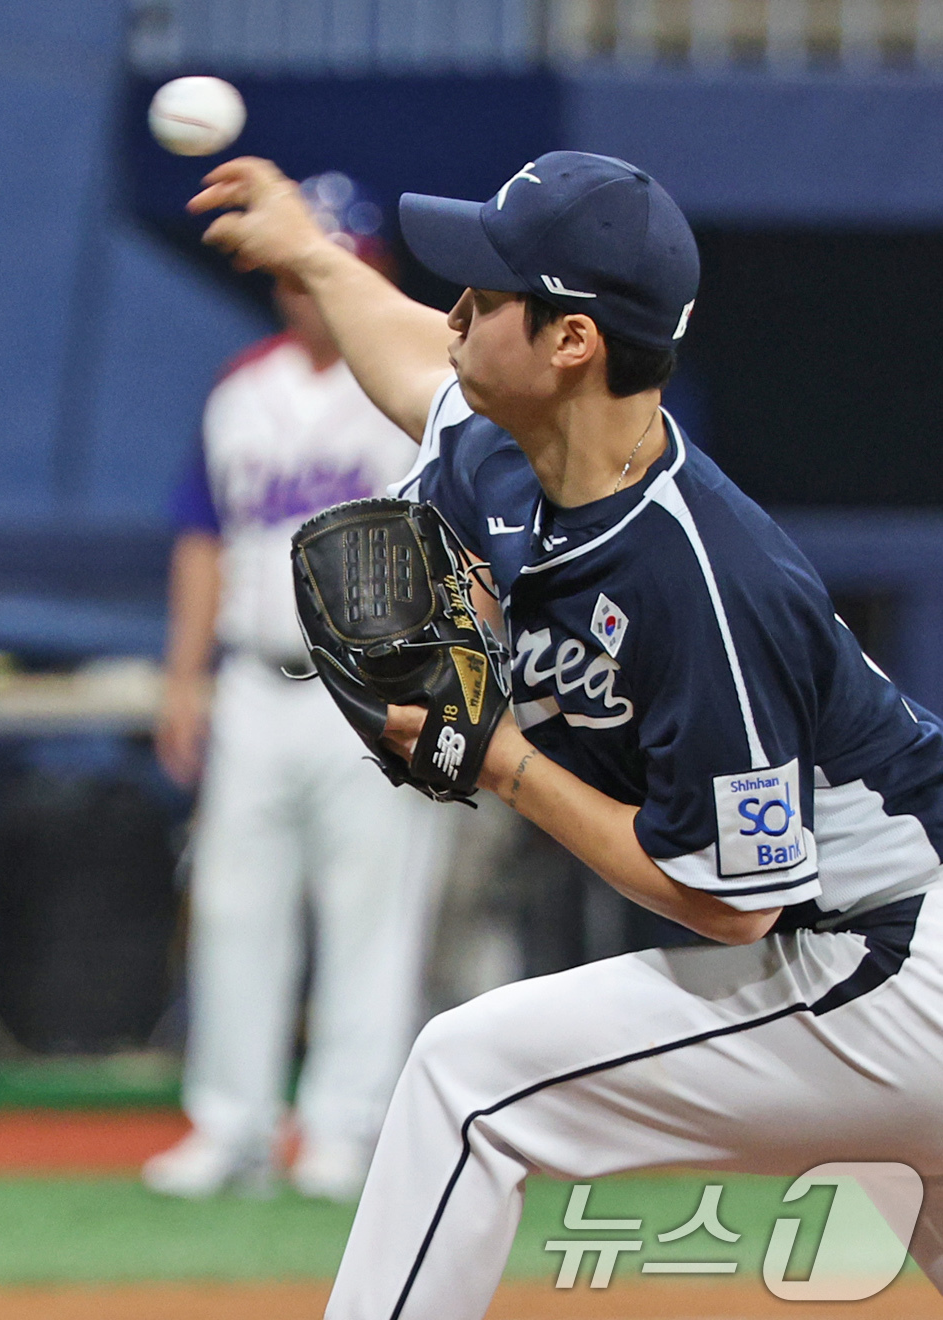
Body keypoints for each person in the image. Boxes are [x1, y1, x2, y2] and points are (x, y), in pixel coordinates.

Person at [187, 152, 943, 1311]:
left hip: (896, 963)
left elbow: (730, 901)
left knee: (465, 1076)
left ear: (571, 344)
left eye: (485, 297)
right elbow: (403, 357)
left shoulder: (702, 574)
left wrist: (505, 762)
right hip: (860, 952)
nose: (453, 313)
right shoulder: (510, 452)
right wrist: (306, 253)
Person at [144, 175, 444, 1202]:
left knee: (371, 914)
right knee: (233, 908)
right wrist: (182, 682)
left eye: (346, 266)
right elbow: (202, 537)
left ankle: (343, 1132)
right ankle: (229, 1128)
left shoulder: (412, 383)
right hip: (253, 685)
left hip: (375, 691)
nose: (317, 292)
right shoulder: (241, 389)